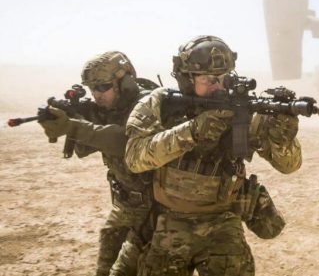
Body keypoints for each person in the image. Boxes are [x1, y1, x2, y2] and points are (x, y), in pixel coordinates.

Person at [123, 35, 301, 275]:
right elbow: (135, 158)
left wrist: (282, 139)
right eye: (208, 80)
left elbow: (289, 165)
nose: (218, 86)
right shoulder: (161, 103)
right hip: (169, 221)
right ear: (186, 79)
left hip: (223, 223)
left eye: (223, 78)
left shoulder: (243, 110)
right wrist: (192, 131)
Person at [38, 51, 156, 276]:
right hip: (125, 208)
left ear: (125, 81)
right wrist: (72, 119)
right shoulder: (107, 110)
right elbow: (85, 148)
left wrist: (74, 126)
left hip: (156, 213)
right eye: (93, 89)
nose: (97, 95)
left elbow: (126, 142)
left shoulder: (150, 104)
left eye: (103, 87)